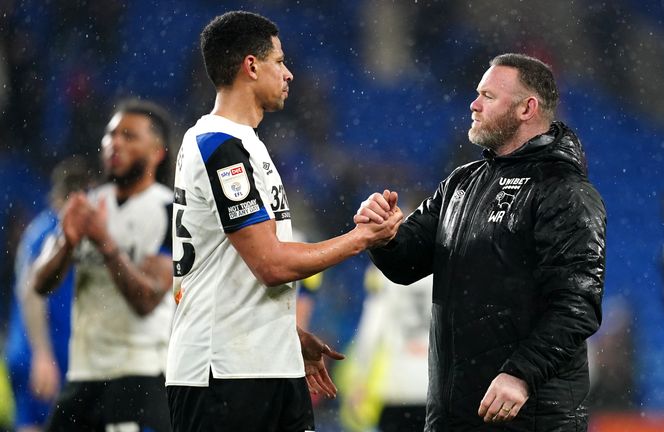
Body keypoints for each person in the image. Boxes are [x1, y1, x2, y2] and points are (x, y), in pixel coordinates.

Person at [164, 11, 402, 432]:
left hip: (267, 364)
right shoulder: (219, 147)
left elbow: (233, 268)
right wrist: (361, 238)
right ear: (251, 67)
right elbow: (270, 264)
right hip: (223, 373)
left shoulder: (245, 145)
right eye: (279, 61)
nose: (289, 73)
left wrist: (285, 334)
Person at [355, 53, 607, 431]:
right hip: (454, 416)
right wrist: (384, 234)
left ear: (527, 108)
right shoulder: (461, 184)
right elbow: (405, 265)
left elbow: (577, 304)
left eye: (488, 96)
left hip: (531, 417)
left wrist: (521, 374)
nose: (473, 104)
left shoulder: (565, 191)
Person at [30, 100, 176, 432]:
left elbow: (146, 300)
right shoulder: (89, 204)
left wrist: (105, 243)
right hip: (83, 374)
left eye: (129, 135)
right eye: (110, 135)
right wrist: (67, 243)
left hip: (139, 375)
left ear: (157, 152)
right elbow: (39, 283)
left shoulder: (170, 211)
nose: (115, 143)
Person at [5, 156, 90, 432]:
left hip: (50, 350)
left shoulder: (44, 227)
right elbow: (30, 293)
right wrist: (42, 354)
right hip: (41, 352)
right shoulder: (50, 230)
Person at [339, 265, 432, 432]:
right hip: (436, 389)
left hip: (399, 389)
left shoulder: (385, 271)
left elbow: (371, 330)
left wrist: (360, 381)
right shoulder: (450, 267)